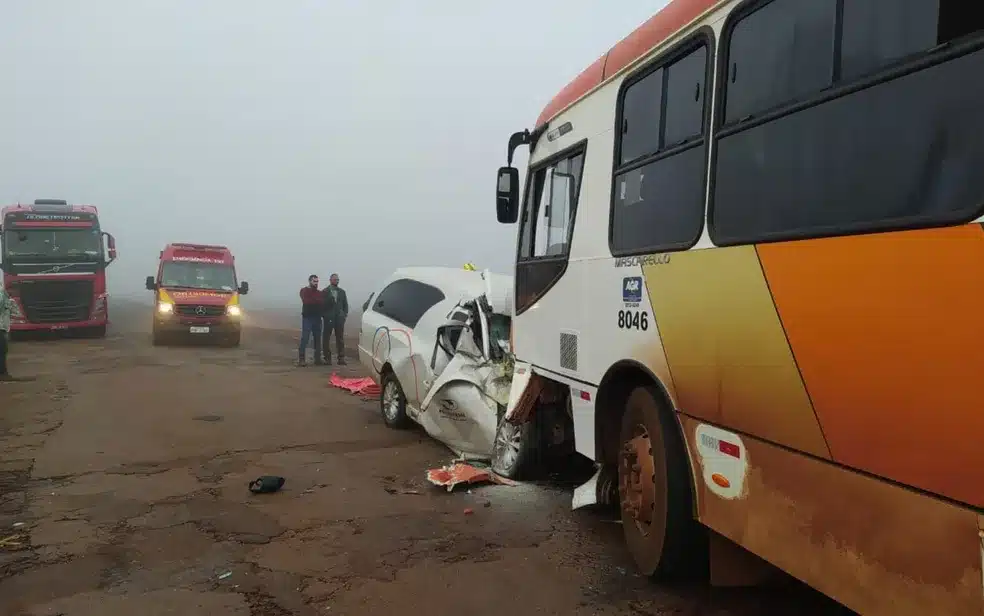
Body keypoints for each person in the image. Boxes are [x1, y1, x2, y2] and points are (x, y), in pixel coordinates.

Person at [321, 273, 349, 365]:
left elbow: (345, 305)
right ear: (330, 280)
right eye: (335, 279)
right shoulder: (325, 292)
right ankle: (327, 359)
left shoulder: (342, 292)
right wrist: (325, 315)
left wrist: (344, 315)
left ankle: (341, 358)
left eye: (337, 279)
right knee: (326, 338)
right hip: (329, 318)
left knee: (340, 339)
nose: (337, 281)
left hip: (339, 319)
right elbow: (321, 305)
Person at [298, 275, 324, 367]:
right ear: (309, 281)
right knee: (305, 338)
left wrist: (316, 301)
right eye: (314, 281)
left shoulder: (319, 293)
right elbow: (307, 301)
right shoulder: (304, 291)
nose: (316, 283)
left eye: (317, 281)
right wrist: (317, 301)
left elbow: (321, 302)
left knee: (317, 339)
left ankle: (317, 359)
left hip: (317, 318)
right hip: (308, 318)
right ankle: (301, 359)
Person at [0, 285, 13, 381]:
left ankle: (3, 373)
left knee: (3, 350)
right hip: (1, 327)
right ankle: (3, 373)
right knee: (2, 350)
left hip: (3, 327)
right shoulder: (1, 294)